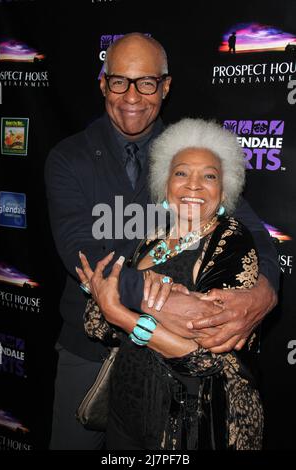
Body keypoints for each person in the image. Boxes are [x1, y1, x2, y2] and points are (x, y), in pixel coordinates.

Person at [44, 33, 278, 450]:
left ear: (165, 87)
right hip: (88, 346)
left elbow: (256, 233)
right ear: (103, 84)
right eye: (119, 81)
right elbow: (83, 255)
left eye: (147, 82)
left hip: (169, 360)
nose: (132, 96)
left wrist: (266, 291)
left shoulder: (185, 154)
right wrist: (163, 303)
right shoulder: (68, 157)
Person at [78, 118, 265, 449]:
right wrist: (119, 305)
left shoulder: (231, 242)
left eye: (209, 176)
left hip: (183, 423)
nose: (193, 185)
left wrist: (123, 314)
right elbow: (96, 325)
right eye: (181, 173)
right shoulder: (151, 240)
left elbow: (209, 359)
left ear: (225, 189)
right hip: (123, 412)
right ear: (165, 184)